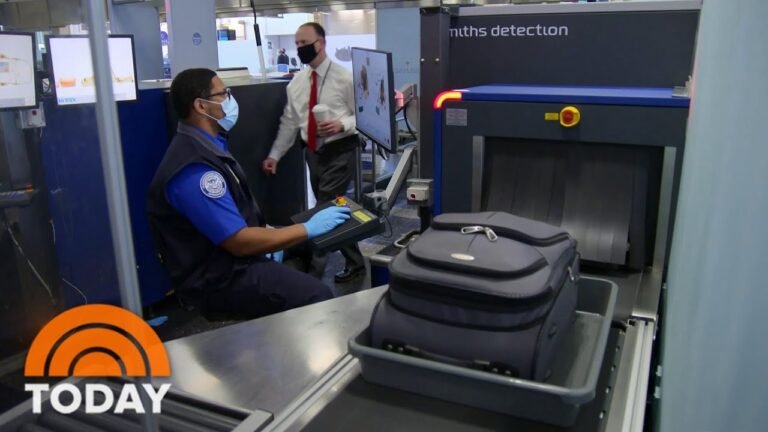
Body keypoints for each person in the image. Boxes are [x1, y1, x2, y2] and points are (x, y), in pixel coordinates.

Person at [147, 68, 350, 319]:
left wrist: (275, 233)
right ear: (201, 106)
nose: (231, 100)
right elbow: (239, 242)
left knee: (304, 251)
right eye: (223, 94)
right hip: (219, 278)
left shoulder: (209, 145)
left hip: (229, 259)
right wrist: (307, 228)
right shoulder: (195, 171)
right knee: (317, 295)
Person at [262, 22, 365, 283]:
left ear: (321, 43)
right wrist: (275, 155)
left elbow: (362, 116)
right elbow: (289, 122)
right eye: (297, 44)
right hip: (313, 154)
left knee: (322, 210)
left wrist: (343, 123)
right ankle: (356, 262)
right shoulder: (296, 84)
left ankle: (312, 275)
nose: (300, 48)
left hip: (340, 150)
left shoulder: (344, 78)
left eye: (304, 43)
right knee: (333, 209)